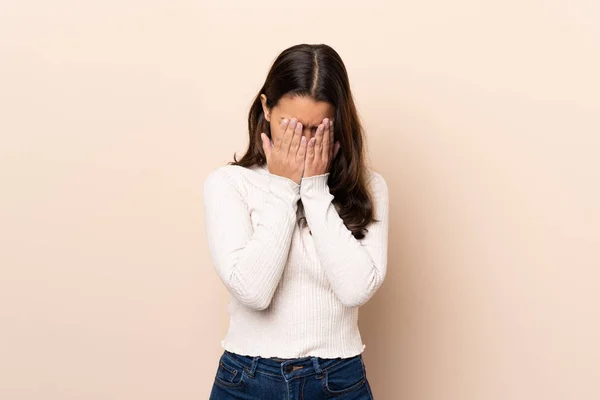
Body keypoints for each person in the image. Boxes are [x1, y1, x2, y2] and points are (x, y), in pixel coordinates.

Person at [203, 43, 389, 399]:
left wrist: (316, 190)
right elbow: (254, 292)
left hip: (339, 380)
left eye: (317, 128)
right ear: (265, 109)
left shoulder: (370, 188)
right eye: (291, 126)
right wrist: (285, 187)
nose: (303, 141)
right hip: (248, 379)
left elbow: (355, 289)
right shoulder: (229, 185)